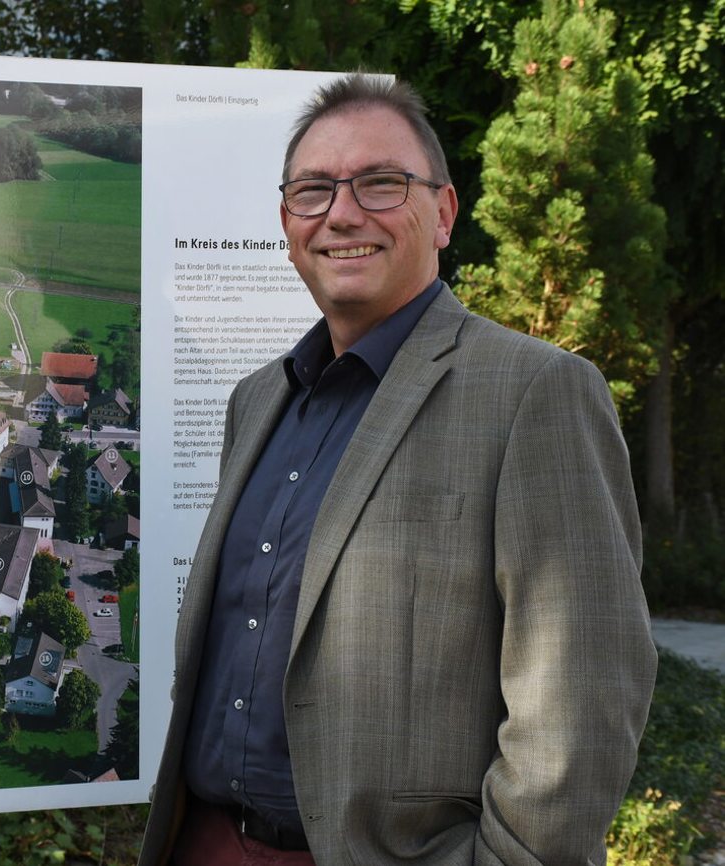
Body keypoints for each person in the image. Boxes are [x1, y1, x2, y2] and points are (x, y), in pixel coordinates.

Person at [139, 73, 658, 866]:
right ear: (288, 224)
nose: (342, 212)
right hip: (205, 841)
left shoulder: (535, 392)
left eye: (380, 184)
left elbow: (584, 701)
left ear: (444, 213)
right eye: (313, 190)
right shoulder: (257, 402)